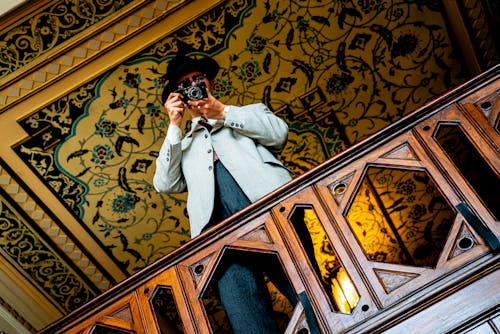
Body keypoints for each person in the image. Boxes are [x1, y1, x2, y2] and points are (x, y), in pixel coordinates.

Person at [153, 53, 294, 333]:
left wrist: (222, 112)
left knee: (308, 291)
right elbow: (165, 184)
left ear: (210, 84)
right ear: (176, 96)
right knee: (247, 320)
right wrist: (174, 125)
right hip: (218, 239)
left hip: (271, 213)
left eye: (197, 79)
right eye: (183, 84)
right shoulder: (183, 145)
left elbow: (278, 134)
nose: (192, 85)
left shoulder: (248, 112)